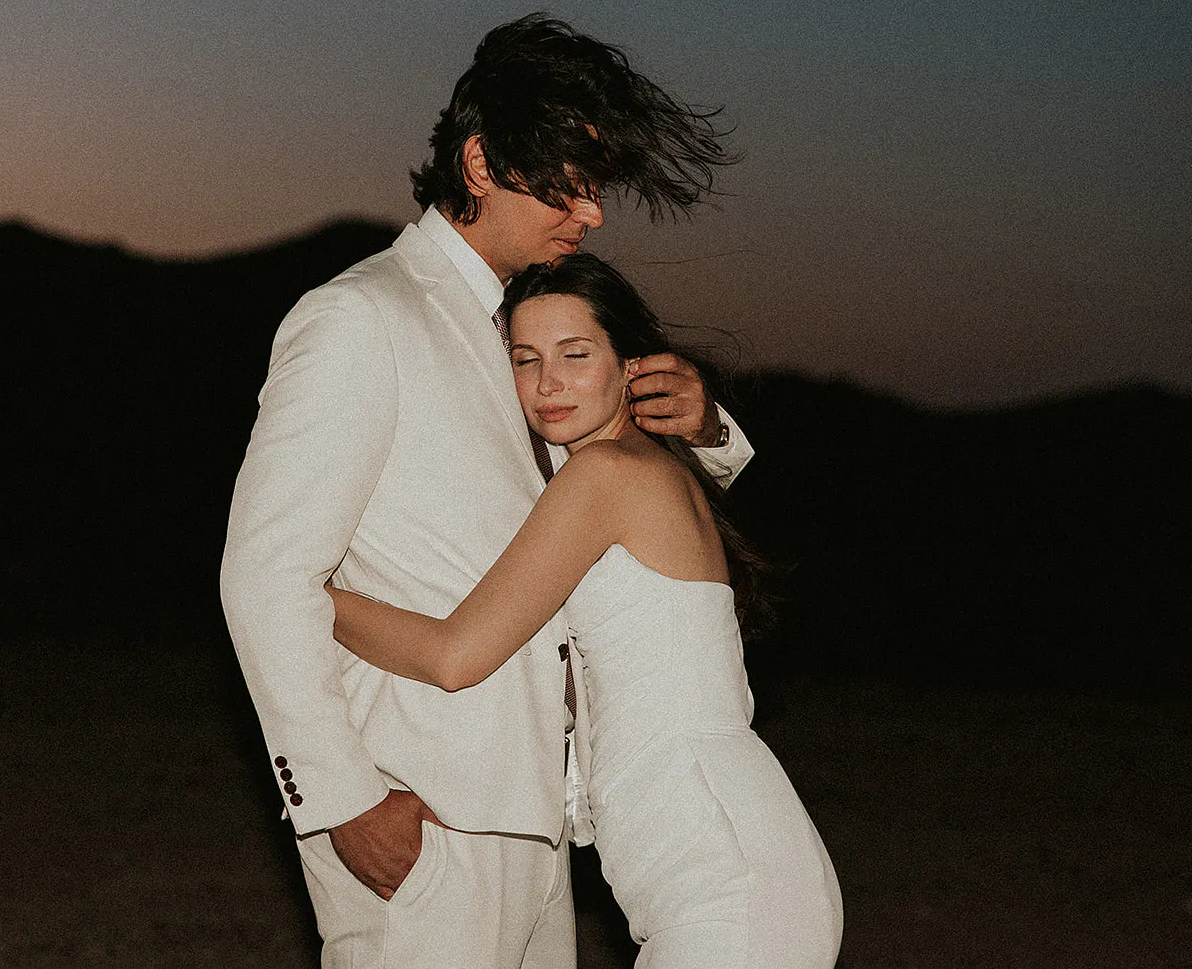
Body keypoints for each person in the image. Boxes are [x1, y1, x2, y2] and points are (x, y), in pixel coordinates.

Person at [219, 13, 754, 967]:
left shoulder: (531, 332)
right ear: (479, 162)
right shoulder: (359, 318)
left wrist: (704, 427)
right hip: (420, 816)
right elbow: (264, 574)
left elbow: (608, 500)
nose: (591, 214)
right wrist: (343, 798)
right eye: (573, 184)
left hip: (539, 819)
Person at [330, 254, 843, 967]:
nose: (547, 383)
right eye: (525, 358)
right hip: (730, 865)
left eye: (575, 354)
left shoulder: (606, 477)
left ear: (633, 366)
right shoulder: (633, 467)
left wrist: (309, 596)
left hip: (724, 880)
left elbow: (455, 656)